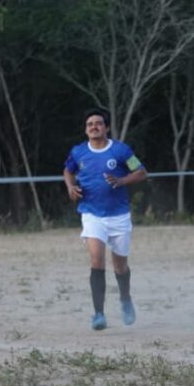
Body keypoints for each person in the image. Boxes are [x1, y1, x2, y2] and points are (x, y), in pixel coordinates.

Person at [63, 108, 148, 330]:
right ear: (86, 129)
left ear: (106, 127)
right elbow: (67, 170)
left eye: (98, 123)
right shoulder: (79, 152)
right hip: (92, 214)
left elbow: (141, 171)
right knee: (96, 260)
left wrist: (121, 181)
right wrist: (71, 186)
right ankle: (98, 314)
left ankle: (125, 299)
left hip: (119, 215)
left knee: (120, 266)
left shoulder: (120, 150)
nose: (94, 127)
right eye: (90, 124)